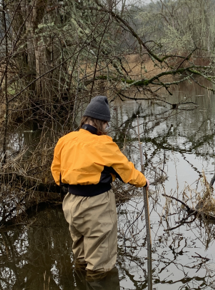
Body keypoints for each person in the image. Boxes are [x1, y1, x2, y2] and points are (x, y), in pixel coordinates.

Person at [51, 96, 147, 273]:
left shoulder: (65, 140)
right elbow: (126, 172)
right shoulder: (103, 144)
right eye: (106, 124)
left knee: (80, 255)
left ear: (85, 119)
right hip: (97, 205)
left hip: (71, 204)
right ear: (102, 123)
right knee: (100, 265)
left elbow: (57, 173)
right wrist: (144, 181)